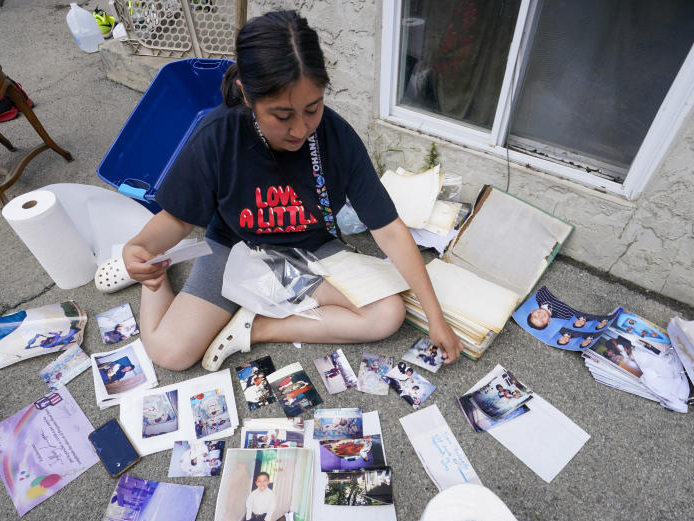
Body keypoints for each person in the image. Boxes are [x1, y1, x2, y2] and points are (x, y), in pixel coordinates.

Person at [121, 10, 461, 372]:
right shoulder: (217, 136)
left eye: (312, 109)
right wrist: (140, 250)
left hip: (307, 251)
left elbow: (389, 229)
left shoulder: (336, 136)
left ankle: (259, 326)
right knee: (171, 353)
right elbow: (176, 219)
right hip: (234, 247)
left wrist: (435, 316)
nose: (300, 129)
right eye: (282, 116)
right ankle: (155, 287)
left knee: (387, 313)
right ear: (247, 96)